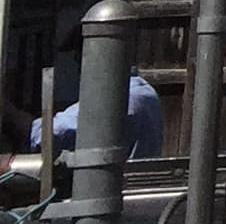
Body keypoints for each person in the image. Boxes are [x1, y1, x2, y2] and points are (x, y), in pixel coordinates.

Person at [31, 68, 162, 160]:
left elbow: (46, 136)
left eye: (79, 57)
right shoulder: (143, 89)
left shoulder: (120, 96)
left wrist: (13, 114)